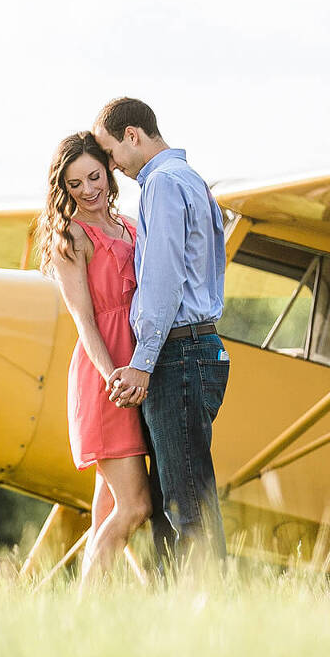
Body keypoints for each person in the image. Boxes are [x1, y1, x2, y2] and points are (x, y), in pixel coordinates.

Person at [92, 98, 229, 568]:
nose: (112, 167)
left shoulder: (162, 186)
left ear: (133, 135)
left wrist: (142, 361)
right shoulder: (191, 181)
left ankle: (210, 610)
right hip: (196, 348)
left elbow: (162, 280)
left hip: (179, 353)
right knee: (176, 497)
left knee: (186, 502)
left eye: (110, 154)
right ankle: (180, 609)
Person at [39, 131, 151, 582]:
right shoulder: (70, 238)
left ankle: (86, 614)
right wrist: (114, 378)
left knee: (108, 506)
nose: (88, 190)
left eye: (93, 176)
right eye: (74, 184)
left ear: (108, 170)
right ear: (62, 189)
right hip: (108, 381)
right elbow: (85, 320)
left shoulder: (131, 226)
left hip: (140, 371)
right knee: (135, 506)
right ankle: (87, 608)